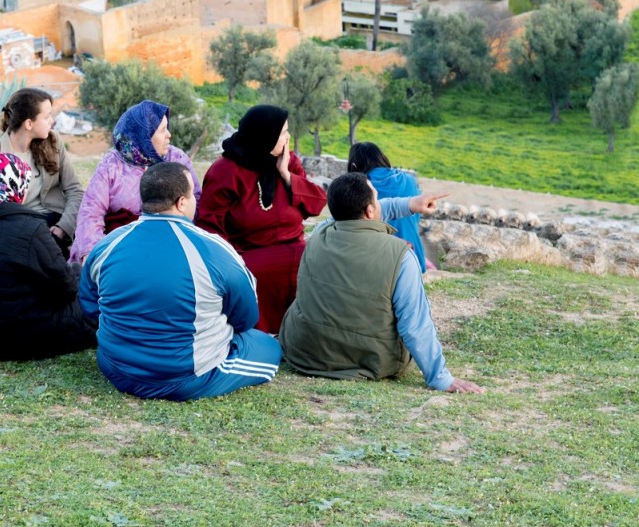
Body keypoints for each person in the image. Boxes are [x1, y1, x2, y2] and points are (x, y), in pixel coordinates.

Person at [79, 162, 281, 401]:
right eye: (192, 194)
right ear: (181, 202)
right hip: (185, 378)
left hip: (115, 368)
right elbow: (246, 317)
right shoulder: (214, 249)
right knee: (269, 347)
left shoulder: (106, 245)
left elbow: (90, 306)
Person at [278, 172, 484, 393]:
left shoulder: (319, 234)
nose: (379, 204)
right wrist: (440, 378)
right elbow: (414, 325)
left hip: (305, 351)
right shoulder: (401, 255)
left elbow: (351, 214)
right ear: (369, 210)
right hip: (372, 359)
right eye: (376, 199)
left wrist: (409, 205)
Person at [0, 153, 97, 360]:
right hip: (18, 339)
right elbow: (66, 289)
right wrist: (79, 273)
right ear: (15, 187)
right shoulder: (30, 228)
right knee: (94, 306)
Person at [195, 105, 327, 334]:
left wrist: (286, 175)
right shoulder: (225, 171)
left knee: (321, 266)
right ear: (265, 136)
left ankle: (305, 333)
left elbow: (316, 204)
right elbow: (210, 227)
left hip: (295, 248)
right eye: (283, 132)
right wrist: (229, 264)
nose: (288, 137)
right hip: (248, 253)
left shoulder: (289, 162)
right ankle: (257, 332)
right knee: (252, 276)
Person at [69, 100, 201, 263]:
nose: (169, 135)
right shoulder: (111, 166)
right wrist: (94, 254)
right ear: (143, 136)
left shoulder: (177, 160)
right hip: (118, 246)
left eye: (167, 128)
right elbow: (91, 211)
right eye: (162, 130)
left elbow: (196, 200)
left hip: (168, 242)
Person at [0, 88, 84, 256]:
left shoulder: (53, 141)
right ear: (29, 123)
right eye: (46, 117)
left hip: (57, 224)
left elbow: (74, 189)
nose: (52, 121)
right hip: (21, 233)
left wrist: (64, 227)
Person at [348, 141, 428, 272]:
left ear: (354, 165)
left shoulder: (359, 188)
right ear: (382, 158)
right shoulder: (409, 180)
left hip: (379, 264)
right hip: (415, 258)